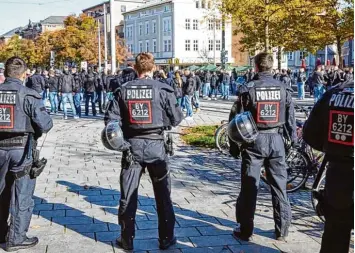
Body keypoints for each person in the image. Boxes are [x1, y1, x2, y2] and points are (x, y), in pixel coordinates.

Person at [104, 52, 183, 251]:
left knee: (128, 194)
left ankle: (127, 239)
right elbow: (176, 119)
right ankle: (166, 237)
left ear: (136, 69)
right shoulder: (163, 89)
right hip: (156, 145)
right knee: (163, 194)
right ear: (153, 68)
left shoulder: (123, 90)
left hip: (132, 146)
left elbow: (111, 121)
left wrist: (121, 142)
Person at [229, 52, 296, 242]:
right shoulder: (283, 88)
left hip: (254, 140)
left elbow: (237, 120)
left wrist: (235, 147)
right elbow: (290, 119)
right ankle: (282, 230)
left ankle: (245, 229)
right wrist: (292, 142)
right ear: (271, 67)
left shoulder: (248, 88)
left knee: (249, 186)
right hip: (276, 140)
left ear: (256, 67)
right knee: (279, 186)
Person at [0, 57, 53, 252]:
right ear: (23, 75)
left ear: (6, 73)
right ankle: (16, 238)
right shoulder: (28, 94)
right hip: (21, 150)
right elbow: (45, 124)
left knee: (1, 192)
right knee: (22, 194)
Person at [303, 79, 354, 253]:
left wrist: (333, 148)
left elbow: (310, 133)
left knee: (336, 233)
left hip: (340, 174)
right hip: (341, 171)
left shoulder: (335, 93)